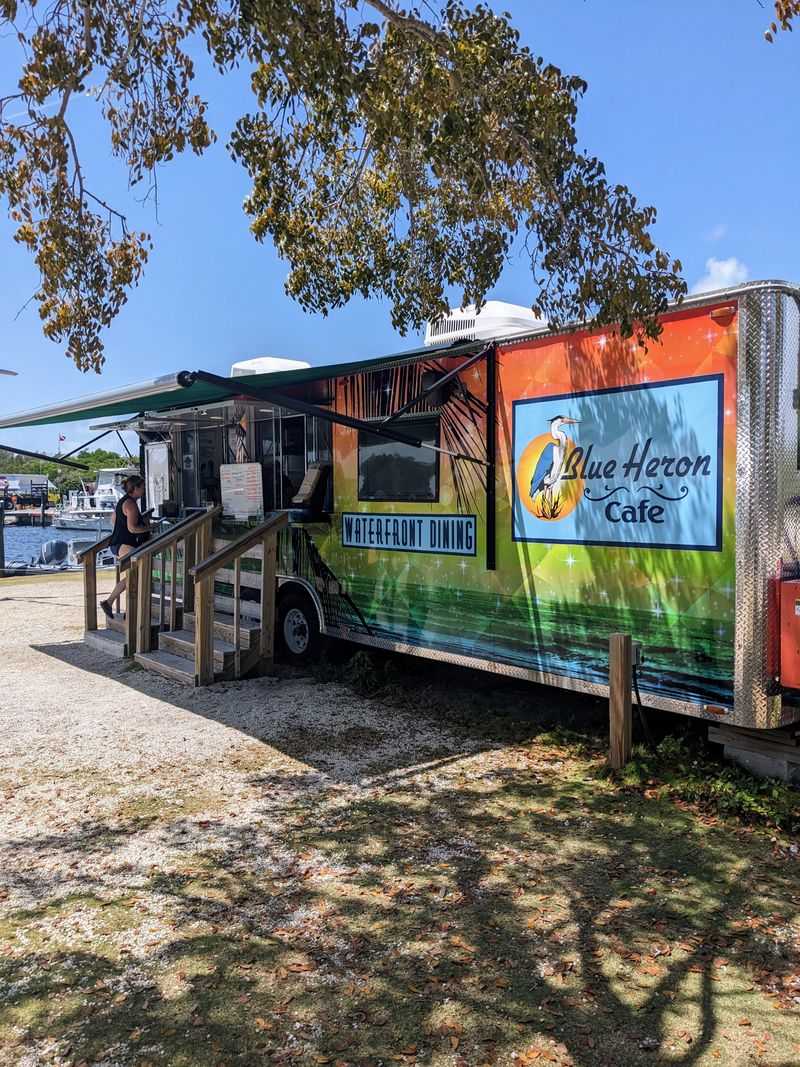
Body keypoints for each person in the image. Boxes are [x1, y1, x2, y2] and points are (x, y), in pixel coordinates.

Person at [100, 475, 150, 620]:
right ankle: (122, 607)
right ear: (135, 488)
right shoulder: (131, 504)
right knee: (137, 575)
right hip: (124, 544)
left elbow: (113, 519)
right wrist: (149, 528)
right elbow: (132, 528)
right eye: (142, 487)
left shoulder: (123, 501)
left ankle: (115, 605)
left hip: (117, 544)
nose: (144, 490)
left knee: (133, 576)